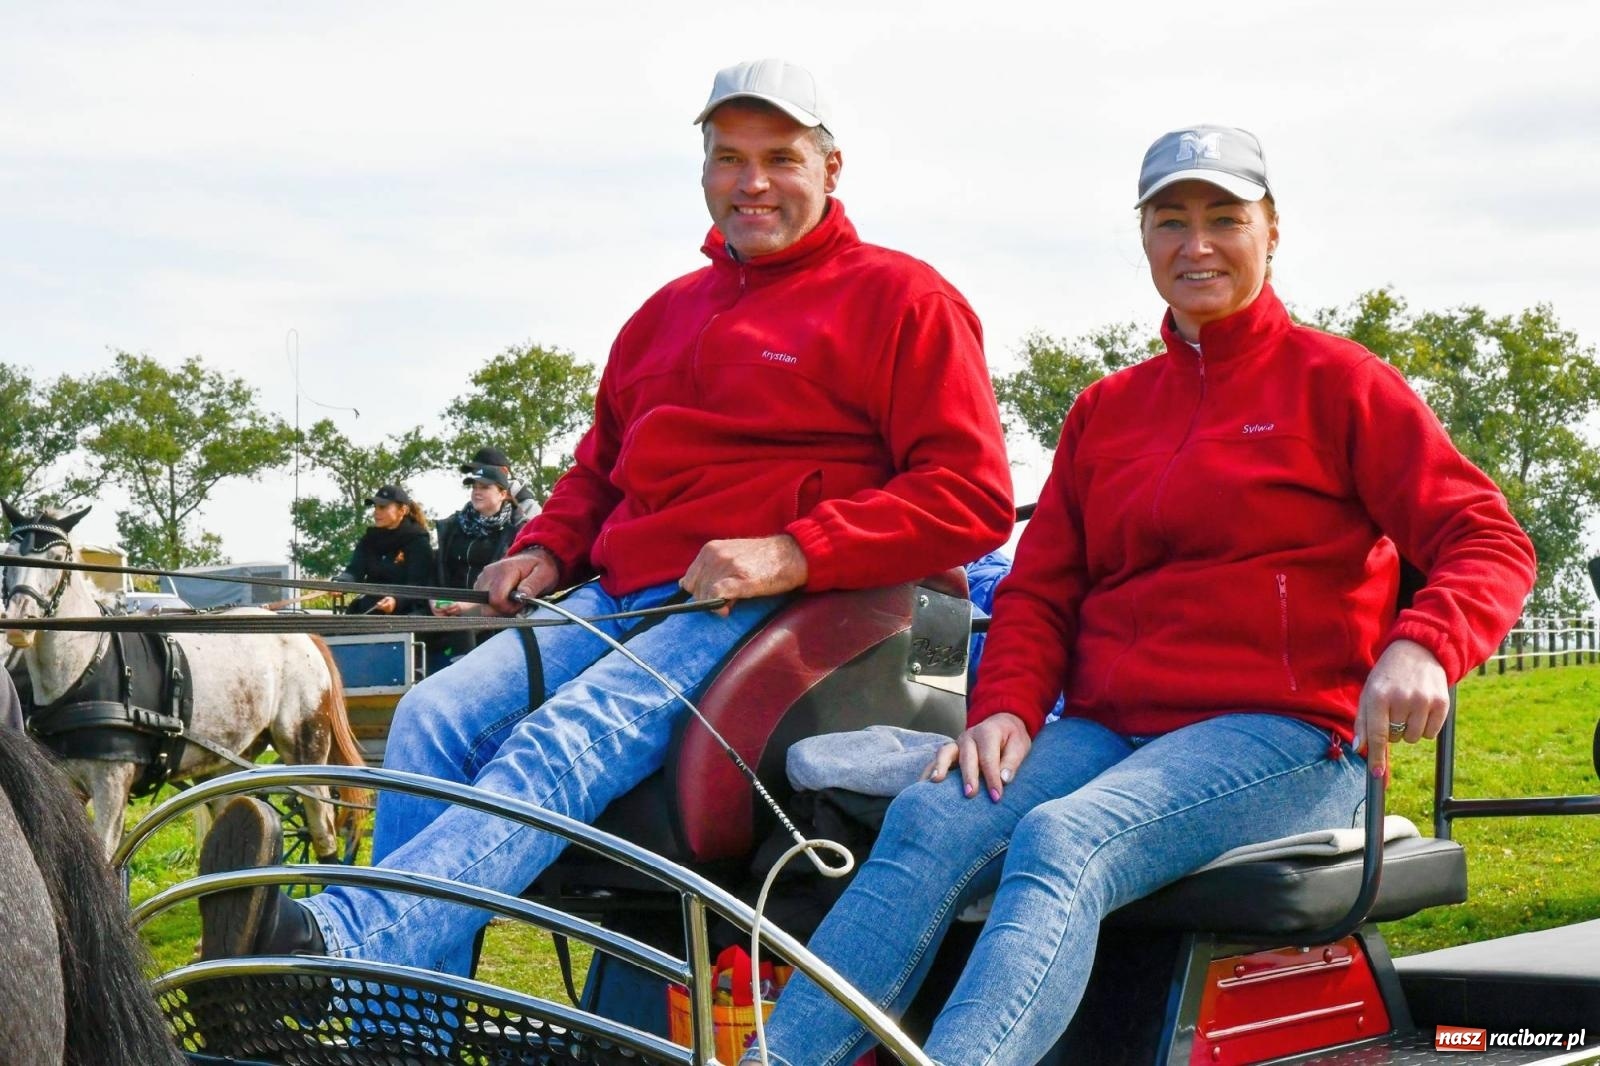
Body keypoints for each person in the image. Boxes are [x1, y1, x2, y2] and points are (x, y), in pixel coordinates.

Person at [197, 57, 1013, 976]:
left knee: (560, 740)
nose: (753, 183)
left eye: (781, 157)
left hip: (777, 604)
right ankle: (407, 1030)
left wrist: (791, 551)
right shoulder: (662, 316)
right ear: (702, 170)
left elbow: (969, 496)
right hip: (630, 593)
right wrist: (546, 547)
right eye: (728, 158)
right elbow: (601, 469)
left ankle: (343, 949)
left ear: (831, 168)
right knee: (431, 715)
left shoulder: (905, 300)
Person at [750, 125, 1537, 1065]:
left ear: (1271, 232)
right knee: (936, 813)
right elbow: (1039, 592)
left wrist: (1422, 645)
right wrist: (1002, 709)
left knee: (1064, 839)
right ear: (1145, 238)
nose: (1195, 243)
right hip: (1111, 728)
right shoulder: (1106, 411)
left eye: (1222, 218)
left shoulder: (1341, 385)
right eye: (1171, 220)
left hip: (1289, 735)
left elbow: (1486, 539)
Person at [426, 461, 528, 668]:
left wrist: (469, 604)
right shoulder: (452, 527)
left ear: (503, 494)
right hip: (446, 609)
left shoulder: (517, 532)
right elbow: (435, 570)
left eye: (484, 487)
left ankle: (464, 678)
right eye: (474, 487)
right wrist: (433, 600)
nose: (476, 492)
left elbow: (514, 582)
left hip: (491, 608)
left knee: (464, 626)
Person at [334, 485, 434, 617]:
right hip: (369, 607)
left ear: (402, 510)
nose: (376, 512)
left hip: (407, 612)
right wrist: (341, 584)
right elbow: (354, 571)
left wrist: (396, 601)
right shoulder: (369, 539)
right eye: (375, 507)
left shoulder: (418, 542)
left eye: (382, 507)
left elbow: (418, 585)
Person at [459, 446, 539, 522]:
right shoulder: (466, 514)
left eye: (485, 471)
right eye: (475, 473)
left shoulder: (530, 509)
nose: (478, 477)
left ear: (504, 471)